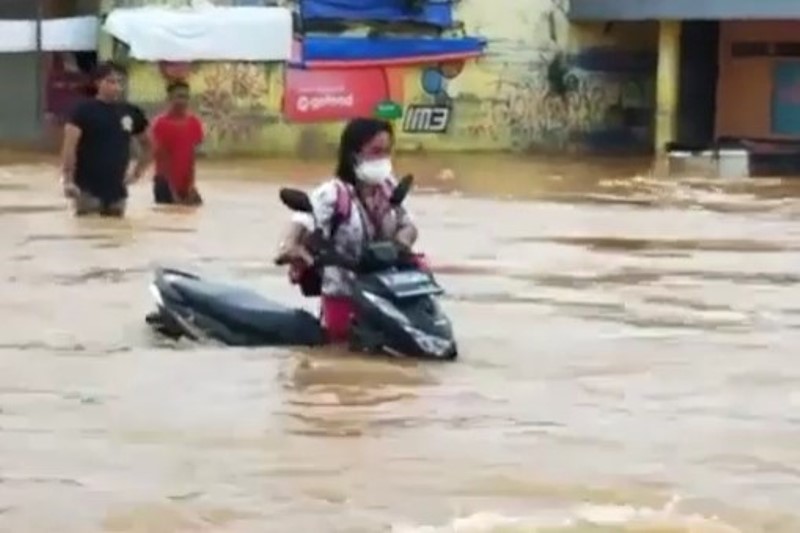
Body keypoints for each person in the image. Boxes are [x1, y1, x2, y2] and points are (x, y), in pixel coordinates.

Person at [275, 118, 419, 342]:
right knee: (340, 358)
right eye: (375, 151)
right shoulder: (333, 194)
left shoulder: (389, 188)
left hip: (387, 294)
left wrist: (401, 244)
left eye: (387, 152)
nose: (383, 159)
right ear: (353, 154)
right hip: (343, 296)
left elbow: (407, 224)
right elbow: (302, 222)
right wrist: (291, 247)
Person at [60, 61, 150, 217]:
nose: (116, 86)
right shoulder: (82, 111)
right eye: (111, 81)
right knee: (89, 235)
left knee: (116, 235)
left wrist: (137, 173)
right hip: (87, 189)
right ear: (97, 83)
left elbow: (149, 145)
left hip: (117, 192)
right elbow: (69, 148)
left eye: (120, 82)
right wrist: (68, 181)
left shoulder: (131, 112)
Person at [149, 80, 204, 206]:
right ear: (169, 98)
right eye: (179, 97)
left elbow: (192, 157)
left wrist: (191, 185)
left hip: (186, 183)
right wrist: (172, 191)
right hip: (165, 183)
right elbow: (162, 159)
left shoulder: (194, 123)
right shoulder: (160, 124)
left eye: (186, 97)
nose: (183, 101)